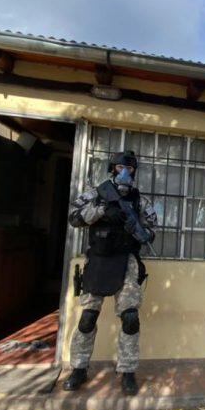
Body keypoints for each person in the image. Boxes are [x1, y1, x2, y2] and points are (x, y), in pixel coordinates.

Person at [63, 150, 157, 396]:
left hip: (127, 261)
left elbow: (151, 232)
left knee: (130, 319)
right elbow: (74, 217)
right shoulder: (96, 193)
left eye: (130, 168)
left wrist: (138, 230)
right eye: (119, 167)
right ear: (112, 168)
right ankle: (79, 369)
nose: (125, 172)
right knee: (87, 319)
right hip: (99, 260)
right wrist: (102, 211)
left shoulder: (140, 201)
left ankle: (127, 371)